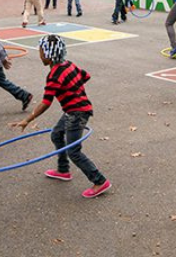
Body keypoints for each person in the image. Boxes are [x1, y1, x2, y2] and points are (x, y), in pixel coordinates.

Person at [10, 34, 111, 198]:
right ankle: (63, 170)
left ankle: (99, 181)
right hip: (76, 110)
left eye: (41, 51)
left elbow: (46, 102)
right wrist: (72, 90)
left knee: (74, 151)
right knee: (57, 134)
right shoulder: (69, 65)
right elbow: (85, 76)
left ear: (49, 54)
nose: (40, 54)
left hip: (76, 113)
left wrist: (27, 120)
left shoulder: (54, 75)